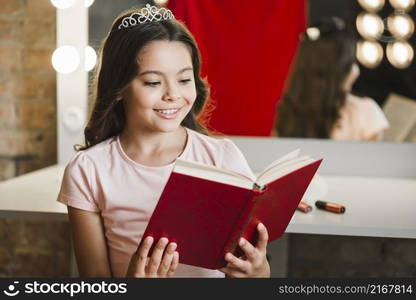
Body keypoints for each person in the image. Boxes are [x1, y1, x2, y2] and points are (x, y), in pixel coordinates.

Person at [57, 4, 270, 278]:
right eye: (153, 83)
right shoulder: (88, 170)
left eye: (184, 79)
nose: (173, 94)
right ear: (119, 87)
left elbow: (254, 270)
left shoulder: (223, 157)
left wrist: (259, 272)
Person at [275, 17, 389, 141]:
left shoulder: (287, 112)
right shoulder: (365, 112)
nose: (356, 71)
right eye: (351, 63)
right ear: (338, 71)